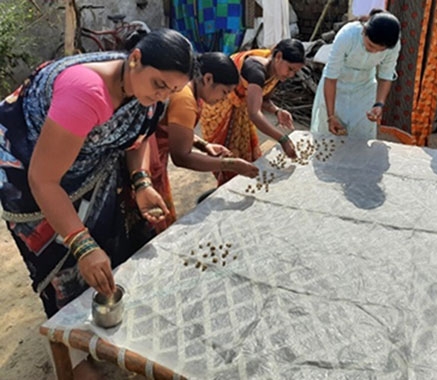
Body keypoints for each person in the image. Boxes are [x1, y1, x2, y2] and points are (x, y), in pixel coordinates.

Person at [0, 28, 194, 321]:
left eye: (172, 91)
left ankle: (100, 322)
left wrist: (141, 181)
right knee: (63, 268)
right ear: (135, 59)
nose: (162, 95)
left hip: (90, 172)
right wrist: (81, 243)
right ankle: (73, 354)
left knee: (107, 247)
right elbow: (43, 180)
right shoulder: (87, 94)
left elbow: (136, 136)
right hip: (33, 176)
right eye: (159, 84)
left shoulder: (145, 90)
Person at [148, 52, 259, 231]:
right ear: (208, 79)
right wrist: (229, 164)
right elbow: (181, 157)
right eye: (224, 92)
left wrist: (204, 145)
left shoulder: (191, 92)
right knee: (149, 219)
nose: (224, 98)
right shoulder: (185, 100)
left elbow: (177, 130)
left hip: (155, 160)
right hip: (146, 161)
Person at [200, 38, 305, 185]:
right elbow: (254, 114)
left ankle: (238, 187)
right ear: (279, 57)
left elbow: (263, 100)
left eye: (295, 71)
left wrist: (277, 111)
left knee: (245, 159)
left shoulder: (275, 72)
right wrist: (283, 139)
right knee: (226, 157)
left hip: (241, 110)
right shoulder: (256, 71)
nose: (291, 75)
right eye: (290, 69)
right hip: (221, 106)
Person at [310, 9, 401, 139]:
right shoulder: (347, 35)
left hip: (365, 88)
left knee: (361, 137)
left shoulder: (393, 45)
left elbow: (386, 76)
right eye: (370, 45)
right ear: (364, 31)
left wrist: (379, 104)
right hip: (335, 86)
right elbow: (331, 77)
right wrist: (331, 116)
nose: (373, 52)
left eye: (379, 50)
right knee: (328, 137)